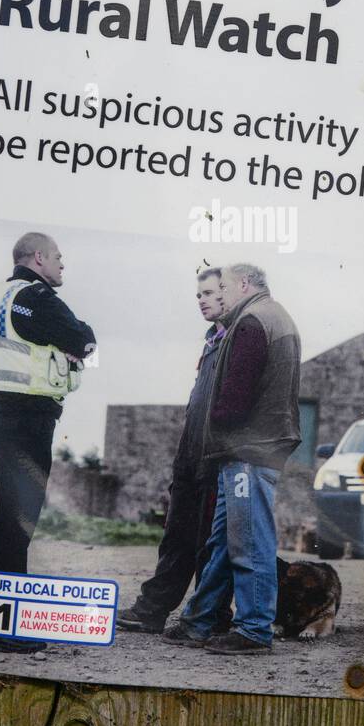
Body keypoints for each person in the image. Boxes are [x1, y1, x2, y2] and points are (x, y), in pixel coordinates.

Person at [164, 263, 301, 655]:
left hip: (247, 450)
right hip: (253, 448)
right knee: (226, 537)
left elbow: (235, 396)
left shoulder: (252, 321)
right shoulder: (274, 316)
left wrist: (218, 423)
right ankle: (200, 618)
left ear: (243, 284)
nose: (219, 294)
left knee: (249, 538)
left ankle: (254, 629)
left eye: (223, 287)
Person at [0, 231, 96, 654]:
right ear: (39, 258)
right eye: (59, 258)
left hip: (2, 413)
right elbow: (83, 339)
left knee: (9, 518)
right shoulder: (38, 297)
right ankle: (2, 629)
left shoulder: (1, 295)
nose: (63, 266)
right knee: (19, 520)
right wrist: (78, 343)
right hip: (27, 417)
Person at [117, 268, 231, 635]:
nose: (202, 300)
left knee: (206, 543)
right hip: (189, 456)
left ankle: (210, 616)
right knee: (176, 535)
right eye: (198, 294)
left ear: (228, 294)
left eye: (210, 293)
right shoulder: (211, 340)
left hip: (214, 458)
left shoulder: (235, 340)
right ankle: (152, 610)